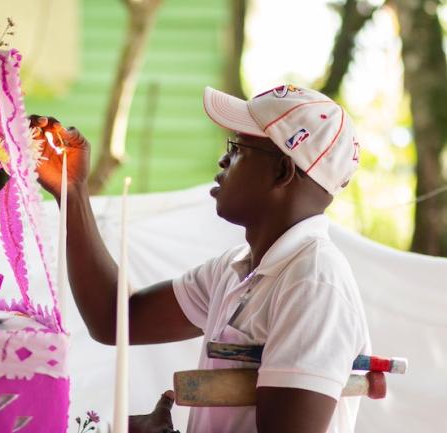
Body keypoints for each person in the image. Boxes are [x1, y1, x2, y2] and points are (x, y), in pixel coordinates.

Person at [30, 84, 371, 433]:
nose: (223, 160)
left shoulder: (312, 283)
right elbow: (116, 319)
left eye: (237, 148)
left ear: (283, 172)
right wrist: (72, 192)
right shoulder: (236, 269)